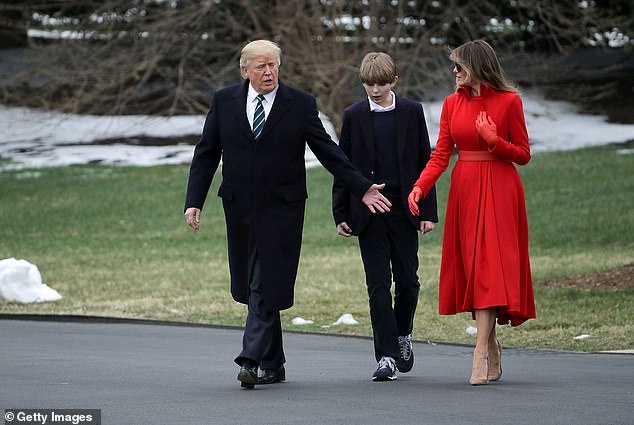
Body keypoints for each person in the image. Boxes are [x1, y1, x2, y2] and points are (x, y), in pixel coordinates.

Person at [184, 40, 392, 390]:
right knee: (254, 285)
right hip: (239, 208)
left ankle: (250, 358)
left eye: (273, 65)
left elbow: (328, 151)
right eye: (261, 66)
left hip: (283, 209)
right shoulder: (224, 101)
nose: (268, 72)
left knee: (263, 281)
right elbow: (207, 152)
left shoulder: (299, 103)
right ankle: (274, 363)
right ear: (245, 70)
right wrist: (194, 201)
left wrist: (361, 187)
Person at [407, 39, 536, 386]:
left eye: (460, 66)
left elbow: (523, 154)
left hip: (502, 190)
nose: (454, 72)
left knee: (492, 268)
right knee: (476, 267)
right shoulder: (451, 104)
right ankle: (492, 342)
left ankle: (479, 350)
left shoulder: (510, 102)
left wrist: (494, 141)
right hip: (466, 189)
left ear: (477, 68)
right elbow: (441, 155)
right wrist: (420, 186)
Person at [332, 52, 438, 381]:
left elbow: (425, 162)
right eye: (368, 84)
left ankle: (402, 332)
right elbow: (343, 167)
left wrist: (428, 211)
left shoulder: (411, 112)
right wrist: (341, 213)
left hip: (405, 208)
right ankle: (386, 356)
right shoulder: (353, 116)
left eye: (380, 83)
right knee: (377, 285)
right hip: (368, 211)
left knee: (407, 281)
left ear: (394, 81)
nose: (375, 90)